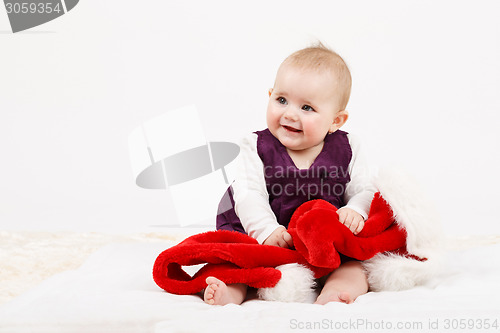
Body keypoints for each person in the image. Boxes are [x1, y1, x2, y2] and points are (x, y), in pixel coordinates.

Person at [205, 43, 376, 306]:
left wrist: (356, 210)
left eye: (307, 108)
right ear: (270, 95)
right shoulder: (255, 146)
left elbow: (364, 188)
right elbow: (249, 194)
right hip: (264, 235)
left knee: (356, 266)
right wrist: (265, 230)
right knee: (238, 261)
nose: (290, 114)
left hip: (322, 241)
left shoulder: (348, 147)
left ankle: (336, 290)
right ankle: (232, 292)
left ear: (336, 121)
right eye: (281, 100)